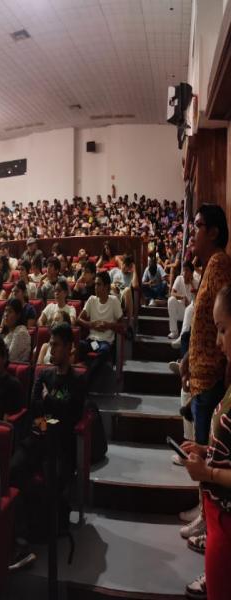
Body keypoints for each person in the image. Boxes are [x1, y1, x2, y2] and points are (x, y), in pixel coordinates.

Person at [180, 204, 231, 594]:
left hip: (210, 376)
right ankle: (204, 514)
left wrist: (212, 368)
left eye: (197, 226)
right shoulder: (209, 265)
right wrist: (186, 359)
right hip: (199, 372)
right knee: (204, 449)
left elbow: (220, 319)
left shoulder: (220, 264)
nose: (192, 232)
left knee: (211, 457)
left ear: (213, 231)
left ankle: (208, 520)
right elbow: (202, 321)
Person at [9, 323, 86, 570]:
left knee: (52, 481)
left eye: (56, 345)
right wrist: (51, 410)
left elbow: (71, 415)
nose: (51, 349)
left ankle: (42, 531)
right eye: (50, 344)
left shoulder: (77, 379)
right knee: (13, 470)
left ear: (69, 347)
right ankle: (21, 540)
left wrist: (48, 401)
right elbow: (35, 408)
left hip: (61, 445)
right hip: (38, 437)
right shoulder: (44, 375)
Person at [77, 271, 124, 381]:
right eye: (95, 284)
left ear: (106, 286)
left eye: (99, 284)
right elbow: (79, 319)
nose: (95, 287)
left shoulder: (114, 301)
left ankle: (87, 378)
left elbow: (122, 326)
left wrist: (108, 325)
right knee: (78, 345)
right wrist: (91, 325)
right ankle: (80, 375)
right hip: (93, 342)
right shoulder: (92, 300)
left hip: (105, 342)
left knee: (104, 351)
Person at [168, 259, 199, 339]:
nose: (184, 273)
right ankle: (174, 332)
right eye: (184, 270)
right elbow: (172, 293)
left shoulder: (196, 282)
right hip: (181, 310)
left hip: (191, 313)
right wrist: (183, 297)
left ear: (192, 272)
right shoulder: (179, 278)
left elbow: (197, 299)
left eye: (187, 270)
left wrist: (191, 282)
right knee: (171, 300)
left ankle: (182, 337)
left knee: (191, 308)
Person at [0, 298, 31, 364]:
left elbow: (10, 357)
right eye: (5, 311)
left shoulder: (21, 332)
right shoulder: (7, 331)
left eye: (10, 311)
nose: (6, 314)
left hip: (13, 368)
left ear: (18, 315)